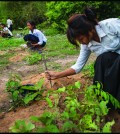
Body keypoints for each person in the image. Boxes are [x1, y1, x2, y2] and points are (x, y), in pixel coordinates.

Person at [45, 7, 120, 107]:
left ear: (89, 29)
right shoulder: (86, 44)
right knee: (101, 60)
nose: (81, 42)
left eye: (81, 38)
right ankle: (107, 104)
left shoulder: (111, 25)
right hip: (115, 68)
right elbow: (78, 66)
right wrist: (57, 75)